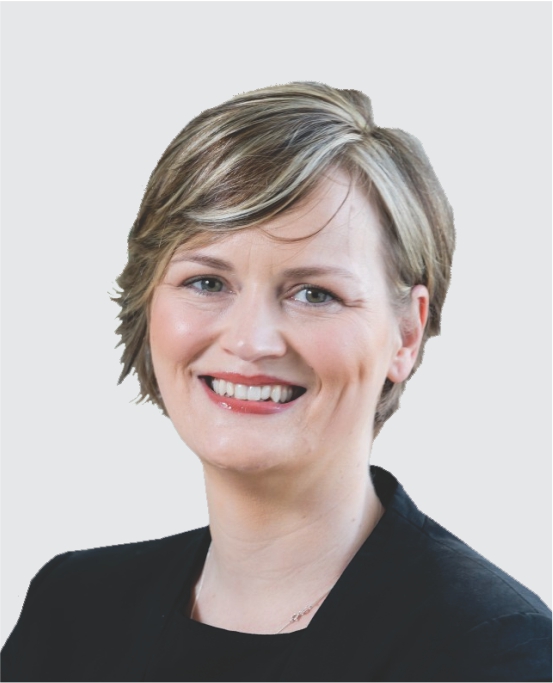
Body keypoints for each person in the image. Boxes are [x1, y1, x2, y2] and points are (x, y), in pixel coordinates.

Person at [1, 82, 550, 682]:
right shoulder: (73, 610)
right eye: (207, 283)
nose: (250, 341)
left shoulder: (490, 648)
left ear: (406, 333)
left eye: (314, 293)